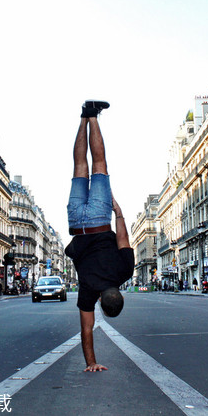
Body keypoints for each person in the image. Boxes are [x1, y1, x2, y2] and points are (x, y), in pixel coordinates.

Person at [64, 101, 135, 373]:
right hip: (76, 224)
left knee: (99, 164)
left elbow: (123, 239)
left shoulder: (124, 271)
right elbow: (87, 331)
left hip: (100, 220)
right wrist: (91, 363)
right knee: (79, 166)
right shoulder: (88, 292)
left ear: (120, 295)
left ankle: (93, 116)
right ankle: (83, 117)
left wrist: (119, 213)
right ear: (102, 305)